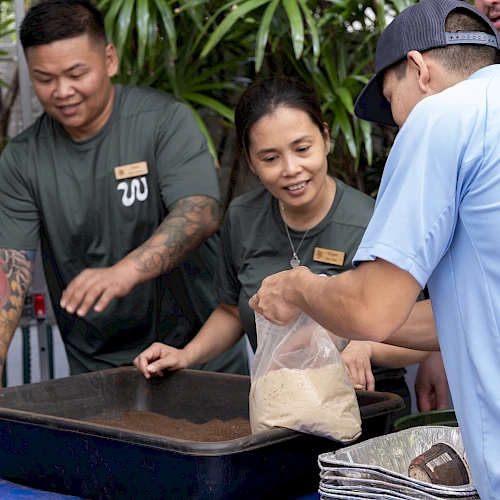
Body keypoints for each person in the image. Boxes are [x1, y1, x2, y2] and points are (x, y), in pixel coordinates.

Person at [249, 1, 500, 497]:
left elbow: (370, 309)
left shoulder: (440, 117)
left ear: (418, 68)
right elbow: (475, 308)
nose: (398, 126)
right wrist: (329, 322)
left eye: (392, 100)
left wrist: (300, 287)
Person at [134, 76, 430, 421]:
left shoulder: (373, 222)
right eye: (270, 158)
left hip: (364, 411)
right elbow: (232, 311)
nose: (291, 170)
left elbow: (419, 334)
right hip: (279, 413)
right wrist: (186, 356)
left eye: (302, 149)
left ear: (325, 137)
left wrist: (363, 346)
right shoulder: (243, 217)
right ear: (250, 160)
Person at [0, 0, 248, 378]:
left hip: (198, 355)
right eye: (45, 79)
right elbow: (11, 270)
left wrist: (126, 271)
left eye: (76, 73)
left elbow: (200, 212)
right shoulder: (21, 158)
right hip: (100, 365)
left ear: (110, 60)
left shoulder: (164, 121)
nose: (62, 91)